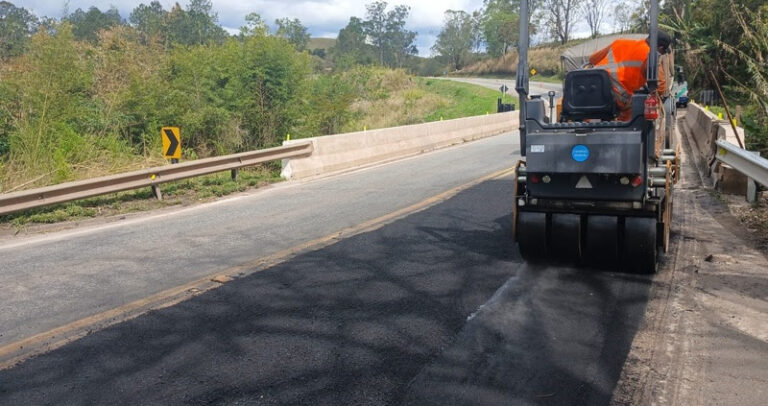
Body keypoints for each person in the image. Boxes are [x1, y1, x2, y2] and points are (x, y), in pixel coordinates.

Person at [588, 31, 673, 121]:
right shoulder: (651, 57)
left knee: (586, 111)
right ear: (660, 48)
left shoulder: (620, 43)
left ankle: (586, 126)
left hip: (591, 87)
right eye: (663, 52)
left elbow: (592, 59)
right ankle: (621, 129)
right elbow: (660, 86)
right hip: (616, 96)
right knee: (633, 108)